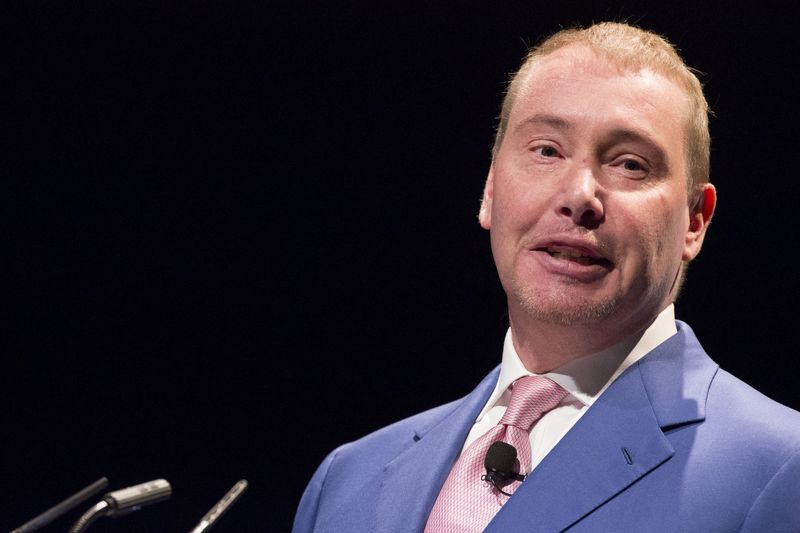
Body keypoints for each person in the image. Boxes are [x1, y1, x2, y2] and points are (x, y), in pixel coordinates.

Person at [292, 21, 800, 532]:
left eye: (629, 164)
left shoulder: (779, 469)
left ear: (695, 221)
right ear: (490, 188)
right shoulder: (347, 482)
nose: (579, 194)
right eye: (546, 150)